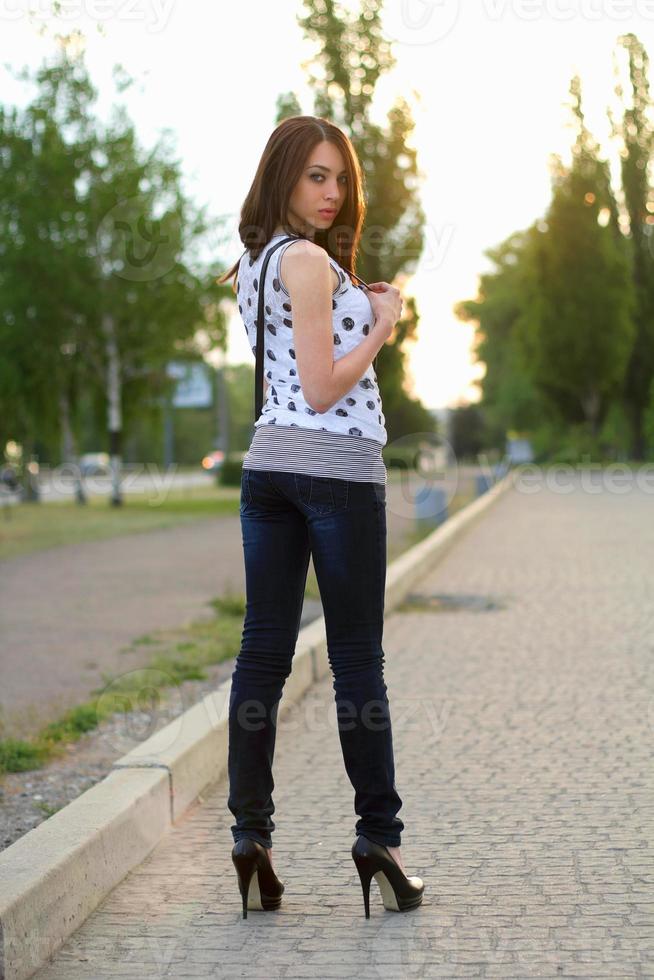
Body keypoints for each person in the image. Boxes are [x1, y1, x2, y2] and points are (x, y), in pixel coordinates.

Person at [217, 115, 424, 919]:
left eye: (341, 178)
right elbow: (324, 385)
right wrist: (381, 325)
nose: (333, 192)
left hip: (267, 472)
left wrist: (349, 304)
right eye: (316, 176)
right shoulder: (305, 259)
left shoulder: (252, 263)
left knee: (261, 655)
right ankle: (381, 839)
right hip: (335, 474)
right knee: (357, 661)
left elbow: (286, 379)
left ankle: (250, 837)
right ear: (282, 177)